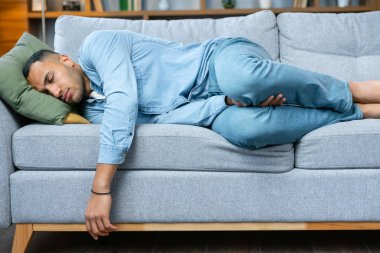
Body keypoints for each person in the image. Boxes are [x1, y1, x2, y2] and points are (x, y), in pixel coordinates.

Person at [23, 30, 380, 240]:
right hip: (214, 107)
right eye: (45, 94)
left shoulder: (97, 45)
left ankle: (354, 89)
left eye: (50, 80)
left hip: (218, 62)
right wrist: (224, 103)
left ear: (66, 61)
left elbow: (125, 100)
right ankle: (360, 111)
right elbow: (167, 122)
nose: (54, 94)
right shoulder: (92, 113)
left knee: (246, 81)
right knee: (249, 129)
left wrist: (100, 188)